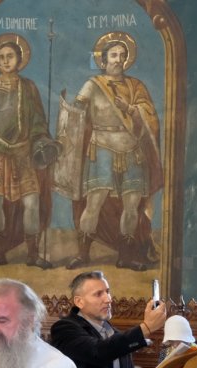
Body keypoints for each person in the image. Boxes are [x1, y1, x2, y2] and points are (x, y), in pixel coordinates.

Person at [65, 32, 161, 270]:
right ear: (103, 60)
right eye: (113, 55)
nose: (118, 59)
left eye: (122, 55)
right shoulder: (93, 84)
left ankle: (126, 255)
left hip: (132, 149)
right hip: (102, 147)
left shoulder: (136, 86)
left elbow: (150, 117)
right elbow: (77, 112)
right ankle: (83, 253)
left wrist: (129, 108)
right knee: (94, 201)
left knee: (131, 204)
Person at [0, 34, 55, 269]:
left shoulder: (28, 86)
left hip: (22, 154)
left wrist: (41, 141)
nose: (5, 61)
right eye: (1, 57)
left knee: (32, 202)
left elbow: (37, 120)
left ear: (19, 59)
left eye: (10, 56)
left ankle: (33, 253)